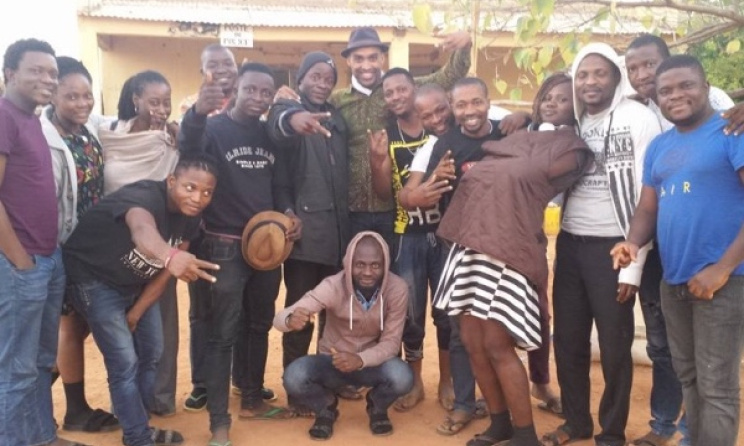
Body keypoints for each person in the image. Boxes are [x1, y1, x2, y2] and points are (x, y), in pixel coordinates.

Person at [433, 72, 592, 446]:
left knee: (496, 345)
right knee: (472, 342)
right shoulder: (517, 134)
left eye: (563, 98)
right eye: (547, 97)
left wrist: (512, 147)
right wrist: (521, 132)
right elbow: (507, 159)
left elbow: (530, 173)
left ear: (578, 106)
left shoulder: (574, 148)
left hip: (508, 251)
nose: (553, 103)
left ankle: (524, 435)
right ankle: (500, 423)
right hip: (469, 245)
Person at [611, 55, 744, 446]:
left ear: (706, 88)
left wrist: (722, 268)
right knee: (689, 377)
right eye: (665, 90)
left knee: (717, 387)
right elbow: (648, 207)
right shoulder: (659, 147)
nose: (676, 96)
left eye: (686, 85)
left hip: (724, 281)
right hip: (675, 282)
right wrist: (632, 243)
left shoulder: (731, 133)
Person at [541, 43, 661, 446]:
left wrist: (634, 264)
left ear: (616, 77)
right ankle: (576, 423)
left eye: (600, 73)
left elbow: (649, 195)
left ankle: (611, 431)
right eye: (582, 75)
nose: (590, 82)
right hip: (571, 246)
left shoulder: (638, 118)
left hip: (616, 249)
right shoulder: (571, 123)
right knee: (569, 341)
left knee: (614, 346)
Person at [178, 62, 300, 446]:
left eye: (266, 93)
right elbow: (189, 147)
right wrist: (197, 111)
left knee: (258, 324)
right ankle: (219, 422)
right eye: (252, 90)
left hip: (267, 247)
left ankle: (251, 397)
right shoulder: (213, 129)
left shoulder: (269, 135)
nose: (259, 99)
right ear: (237, 89)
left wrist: (289, 213)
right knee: (222, 334)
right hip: (223, 245)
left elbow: (279, 184)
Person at [63, 154, 220, 446]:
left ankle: (139, 423)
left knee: (152, 353)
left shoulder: (191, 215)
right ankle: (138, 437)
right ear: (172, 181)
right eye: (190, 188)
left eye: (207, 192)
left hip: (135, 283)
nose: (198, 197)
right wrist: (170, 255)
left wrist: (136, 312)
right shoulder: (145, 197)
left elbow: (164, 275)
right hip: (93, 278)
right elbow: (141, 230)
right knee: (123, 361)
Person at [0, 37, 84, 446]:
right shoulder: (3, 116)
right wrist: (20, 261)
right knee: (15, 368)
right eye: (36, 70)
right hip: (22, 263)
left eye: (52, 72)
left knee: (39, 361)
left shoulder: (33, 119)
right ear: (9, 73)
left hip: (47, 259)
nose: (47, 79)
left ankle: (42, 437)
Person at [328, 27, 472, 253]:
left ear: (382, 58)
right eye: (358, 58)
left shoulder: (399, 89)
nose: (366, 65)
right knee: (357, 274)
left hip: (392, 210)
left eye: (373, 57)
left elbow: (449, 75)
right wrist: (286, 100)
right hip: (352, 209)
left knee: (392, 276)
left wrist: (465, 45)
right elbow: (309, 105)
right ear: (348, 61)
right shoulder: (337, 100)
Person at [266, 51, 350, 413]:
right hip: (303, 239)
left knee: (334, 317)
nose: (322, 82)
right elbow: (281, 124)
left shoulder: (338, 117)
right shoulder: (286, 111)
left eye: (328, 77)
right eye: (314, 75)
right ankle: (297, 388)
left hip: (339, 238)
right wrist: (294, 116)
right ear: (299, 79)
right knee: (300, 314)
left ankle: (329, 379)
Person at [97, 70, 183, 418]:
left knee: (161, 328)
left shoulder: (171, 140)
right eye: (154, 101)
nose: (162, 109)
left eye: (166, 101)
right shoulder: (109, 134)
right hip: (113, 244)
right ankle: (127, 406)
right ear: (135, 98)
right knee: (120, 332)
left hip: (157, 242)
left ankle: (159, 400)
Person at [367, 68, 453, 413]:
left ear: (414, 89)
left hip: (447, 235)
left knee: (447, 312)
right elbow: (383, 193)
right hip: (407, 237)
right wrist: (377, 161)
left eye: (402, 88)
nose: (396, 96)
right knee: (411, 316)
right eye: (389, 93)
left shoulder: (444, 129)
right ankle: (415, 382)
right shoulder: (387, 134)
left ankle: (446, 381)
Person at [41, 56, 119, 434]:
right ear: (53, 96)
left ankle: (32, 393)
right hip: (65, 245)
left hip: (91, 247)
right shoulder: (45, 137)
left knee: (78, 326)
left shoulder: (88, 126)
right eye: (71, 96)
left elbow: (117, 126)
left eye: (87, 94)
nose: (82, 102)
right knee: (70, 327)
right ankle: (74, 409)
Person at [276, 231, 412, 441]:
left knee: (402, 377)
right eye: (360, 264)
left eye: (375, 265)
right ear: (348, 262)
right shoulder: (333, 285)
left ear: (385, 265)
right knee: (293, 377)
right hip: (333, 363)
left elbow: (392, 344)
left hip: (369, 365)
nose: (367, 272)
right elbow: (281, 317)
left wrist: (360, 360)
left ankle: (377, 406)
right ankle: (326, 407)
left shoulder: (397, 289)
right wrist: (290, 319)